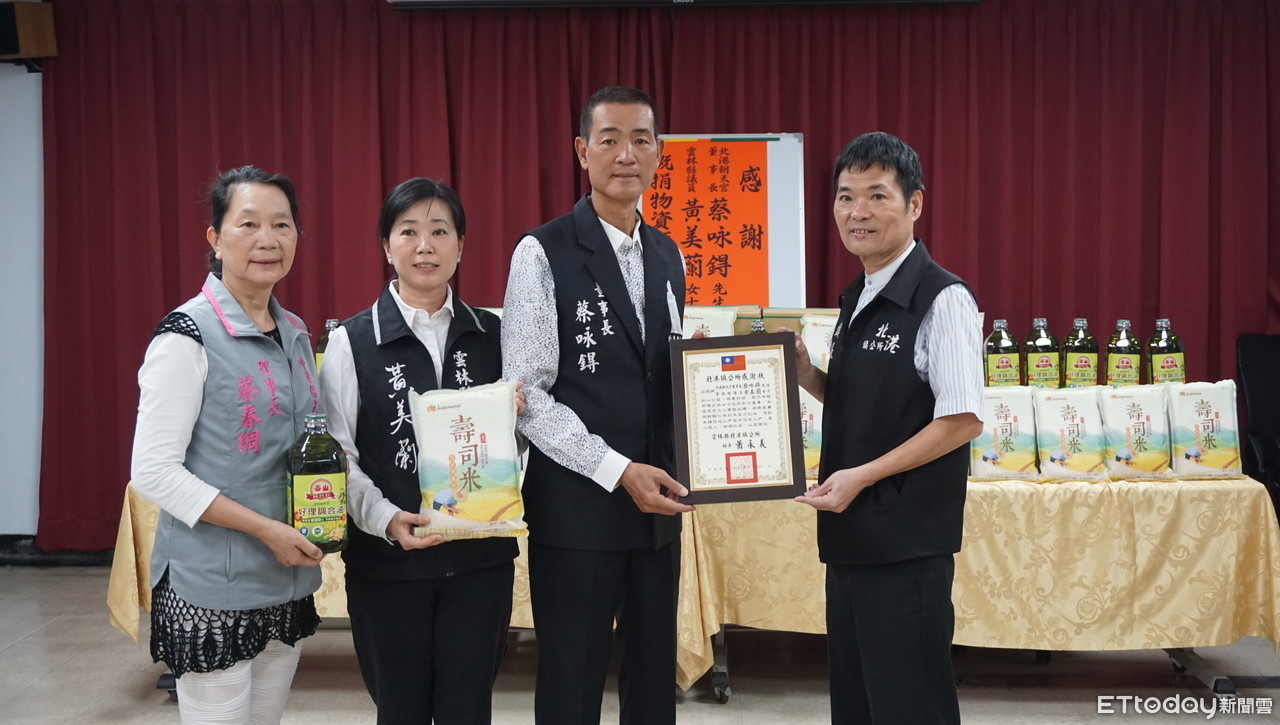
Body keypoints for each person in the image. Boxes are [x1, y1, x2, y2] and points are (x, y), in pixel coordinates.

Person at [501, 85, 692, 725]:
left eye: (641, 140)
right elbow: (527, 396)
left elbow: (668, 373)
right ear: (583, 151)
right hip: (578, 512)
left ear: (658, 153)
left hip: (659, 510)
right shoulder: (541, 251)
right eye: (609, 140)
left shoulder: (670, 255)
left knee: (653, 685)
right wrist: (618, 469)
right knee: (571, 683)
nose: (626, 154)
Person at [792, 132, 983, 725]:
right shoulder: (859, 294)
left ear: (915, 204)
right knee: (857, 704)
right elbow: (867, 403)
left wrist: (863, 476)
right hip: (852, 537)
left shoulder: (942, 298)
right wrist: (805, 374)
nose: (858, 212)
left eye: (877, 196)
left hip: (905, 543)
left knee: (909, 705)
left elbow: (961, 419)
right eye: (846, 197)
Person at [318, 177, 522, 724]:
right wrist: (385, 518)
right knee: (400, 710)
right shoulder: (351, 341)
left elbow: (519, 447)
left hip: (479, 565)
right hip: (388, 567)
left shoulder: (496, 336)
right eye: (408, 232)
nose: (424, 246)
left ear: (462, 245)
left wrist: (516, 423)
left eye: (440, 231)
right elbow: (337, 453)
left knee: (468, 709)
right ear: (387, 247)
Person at [130, 166, 324, 724]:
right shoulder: (185, 336)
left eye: (282, 225)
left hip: (285, 577)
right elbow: (153, 471)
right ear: (215, 238)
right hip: (212, 584)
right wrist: (266, 530)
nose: (268, 239)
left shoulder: (295, 332)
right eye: (248, 224)